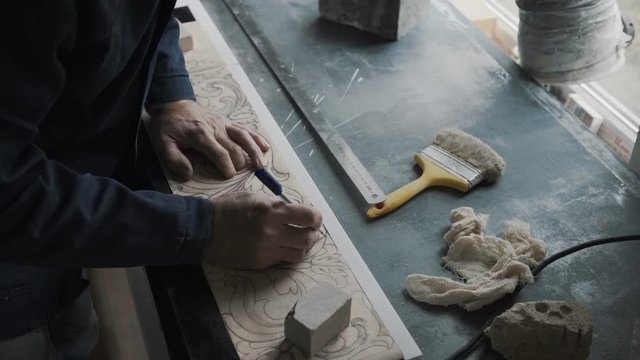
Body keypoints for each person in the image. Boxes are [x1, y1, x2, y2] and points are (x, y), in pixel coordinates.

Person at [0, 1, 322, 359]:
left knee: (75, 335)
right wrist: (203, 228)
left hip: (64, 238)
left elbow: (151, 14)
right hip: (10, 287)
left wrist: (171, 95)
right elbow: (7, 193)